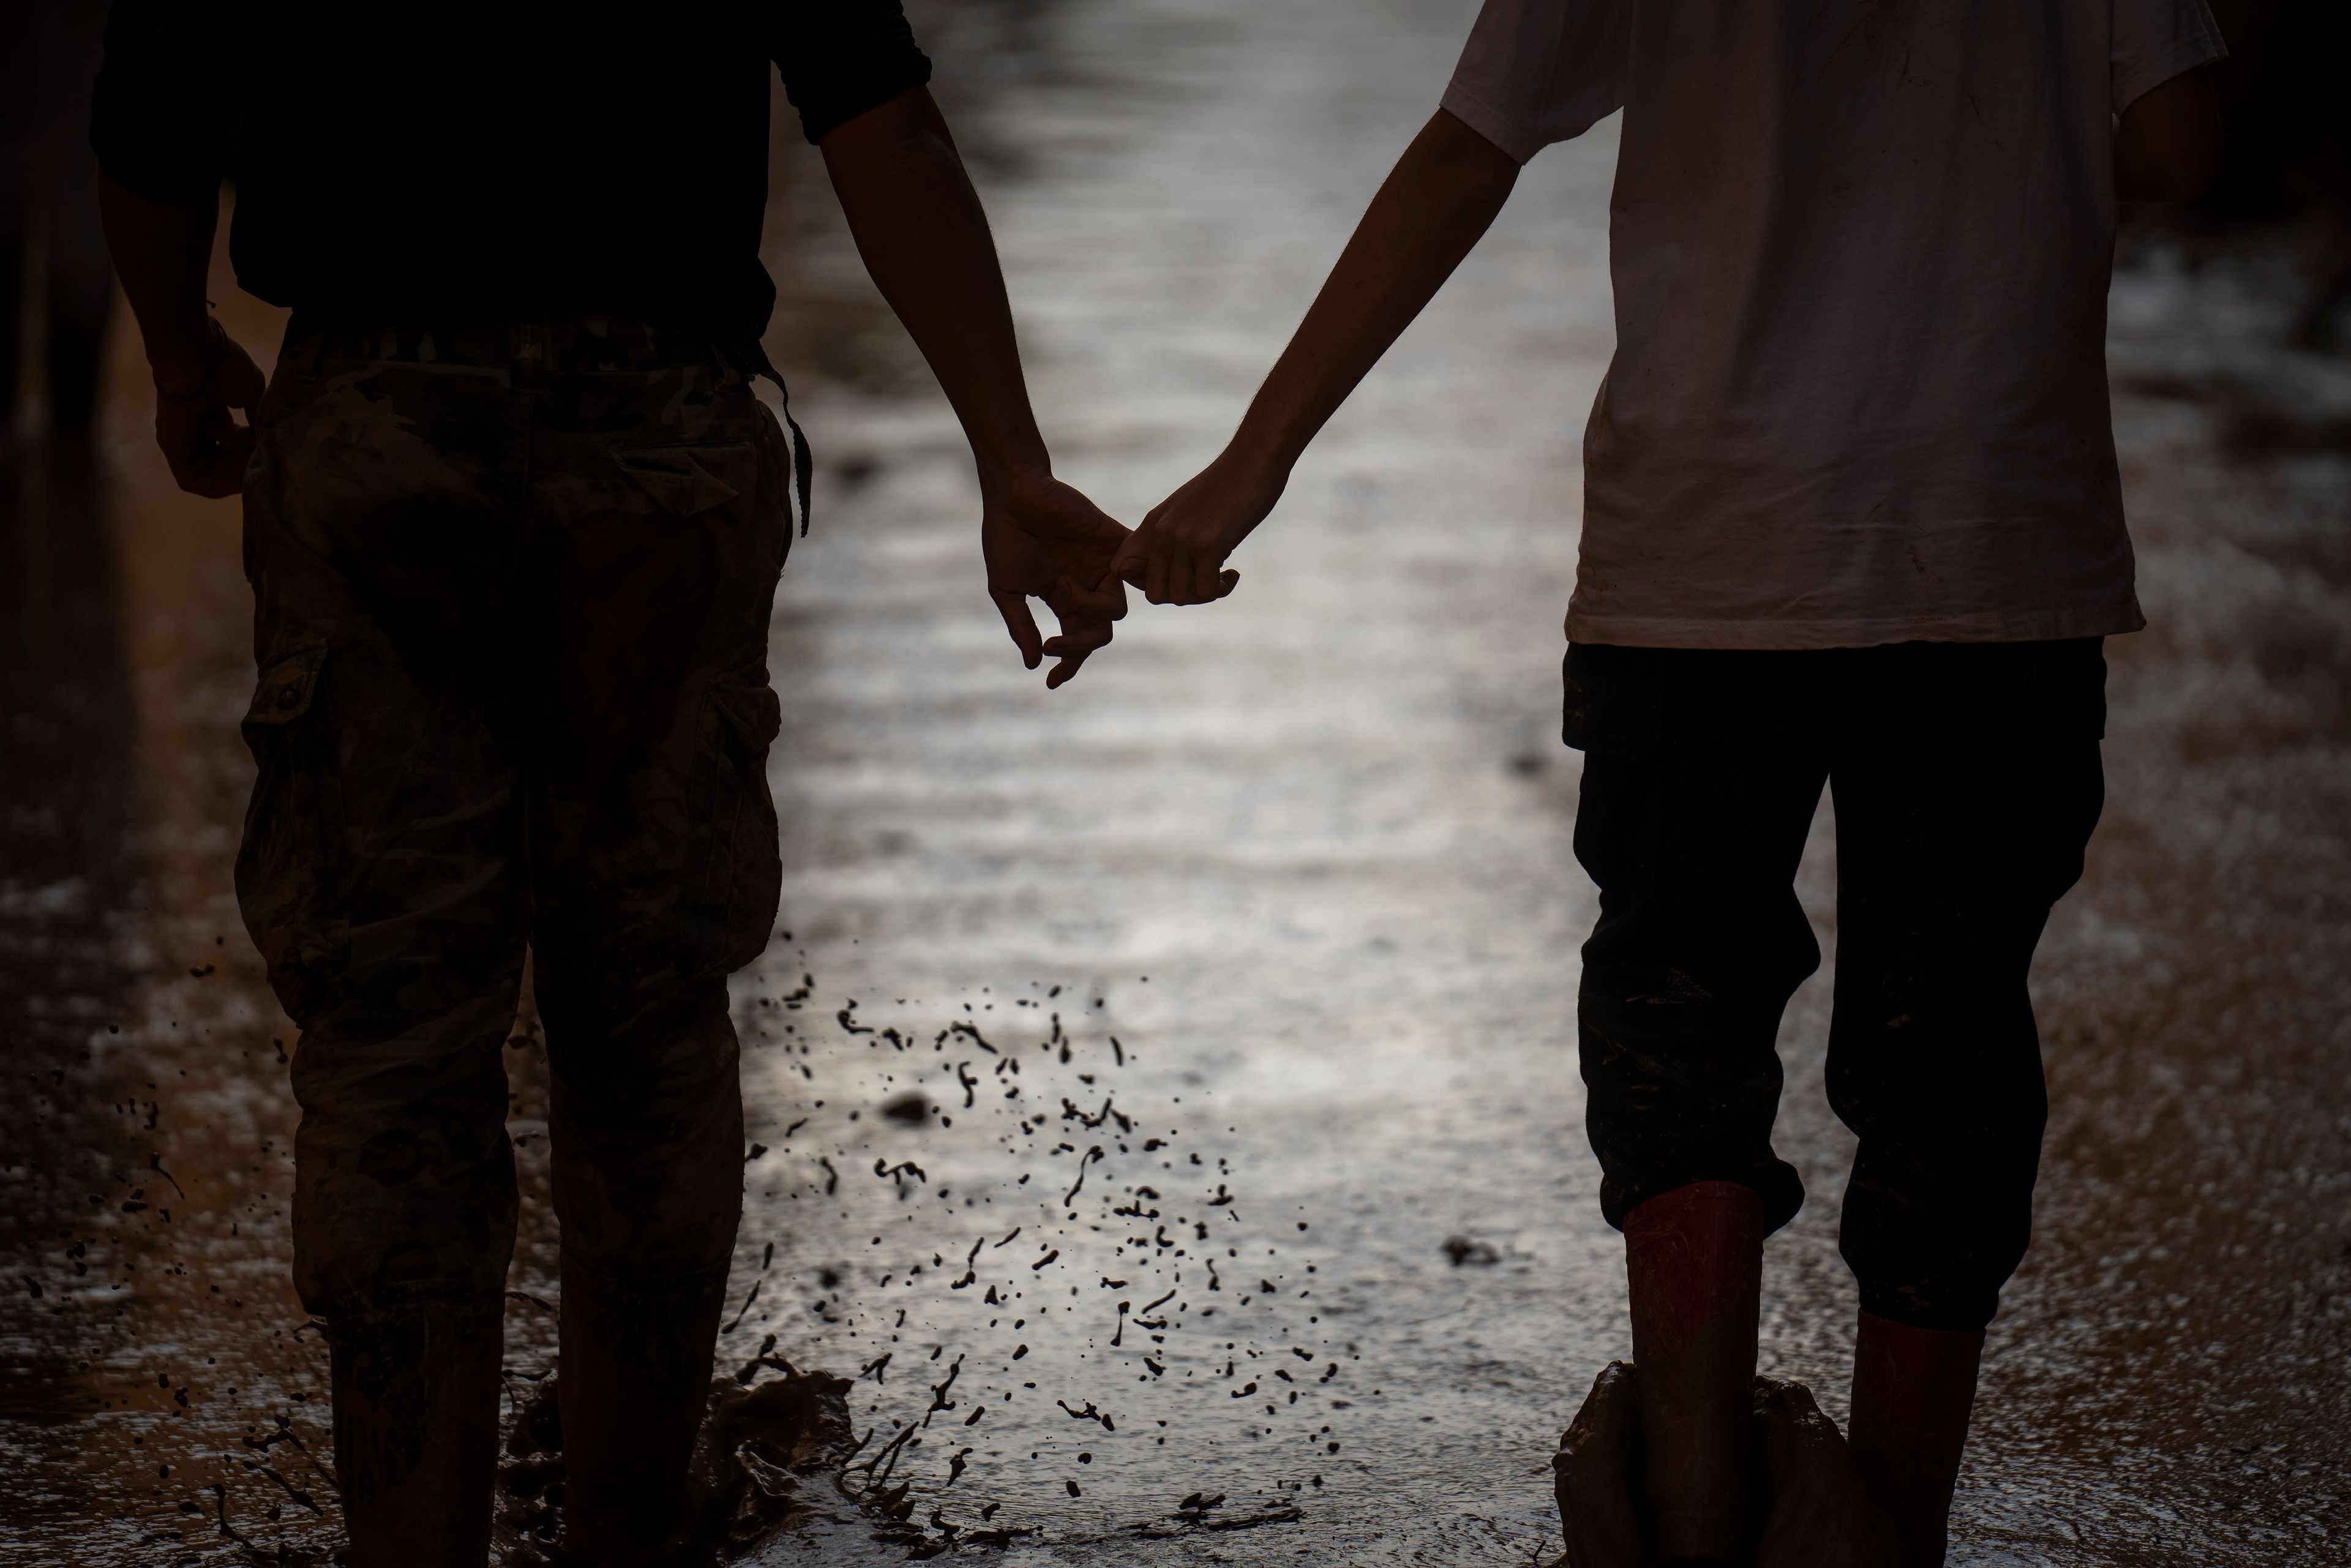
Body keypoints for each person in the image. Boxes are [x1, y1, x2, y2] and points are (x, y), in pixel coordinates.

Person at [1114, 2, 2224, 1563]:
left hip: (1704, 552)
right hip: (1997, 548)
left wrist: (1254, 462)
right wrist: (1975, 183)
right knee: (1947, 1046)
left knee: (1679, 1018)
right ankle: (1895, 1534)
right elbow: (2180, 143)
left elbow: (1470, 144)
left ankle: (1693, 1506)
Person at [89, 4, 1128, 1564]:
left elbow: (155, 118)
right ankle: (632, 1541)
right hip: (661, 437)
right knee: (642, 1032)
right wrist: (1007, 457)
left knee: (393, 1050)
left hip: (378, 422)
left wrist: (179, 350)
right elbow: (884, 128)